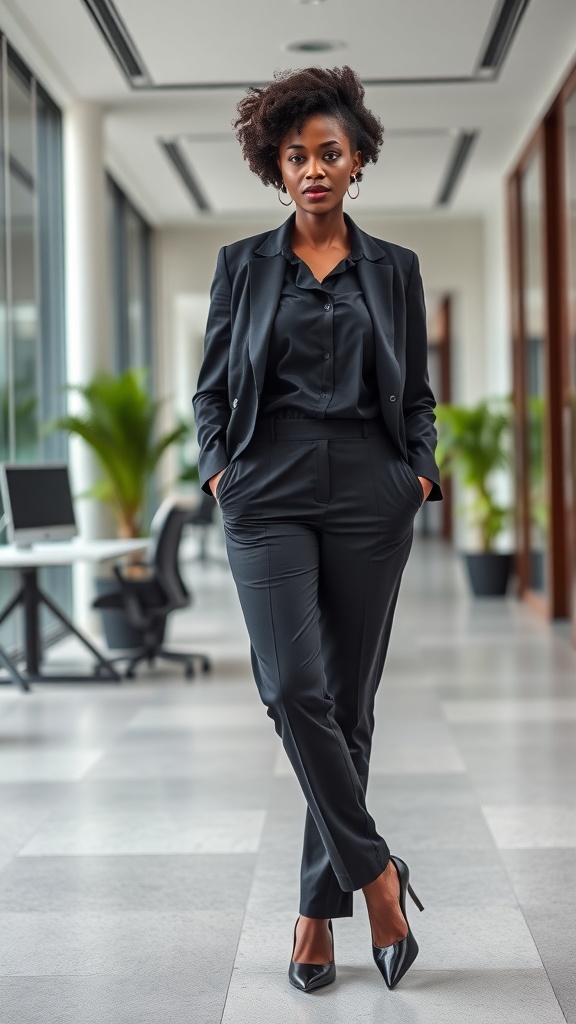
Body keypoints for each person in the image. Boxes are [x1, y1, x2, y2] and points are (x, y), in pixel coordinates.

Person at [193, 65, 442, 993]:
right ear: (275, 168)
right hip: (268, 486)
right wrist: (221, 469)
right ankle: (378, 878)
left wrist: (414, 473)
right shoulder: (242, 267)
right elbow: (211, 388)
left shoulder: (396, 270)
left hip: (372, 489)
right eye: (295, 156)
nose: (313, 169)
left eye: (329, 153)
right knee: (294, 687)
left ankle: (312, 916)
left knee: (348, 703)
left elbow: (415, 393)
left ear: (358, 160)